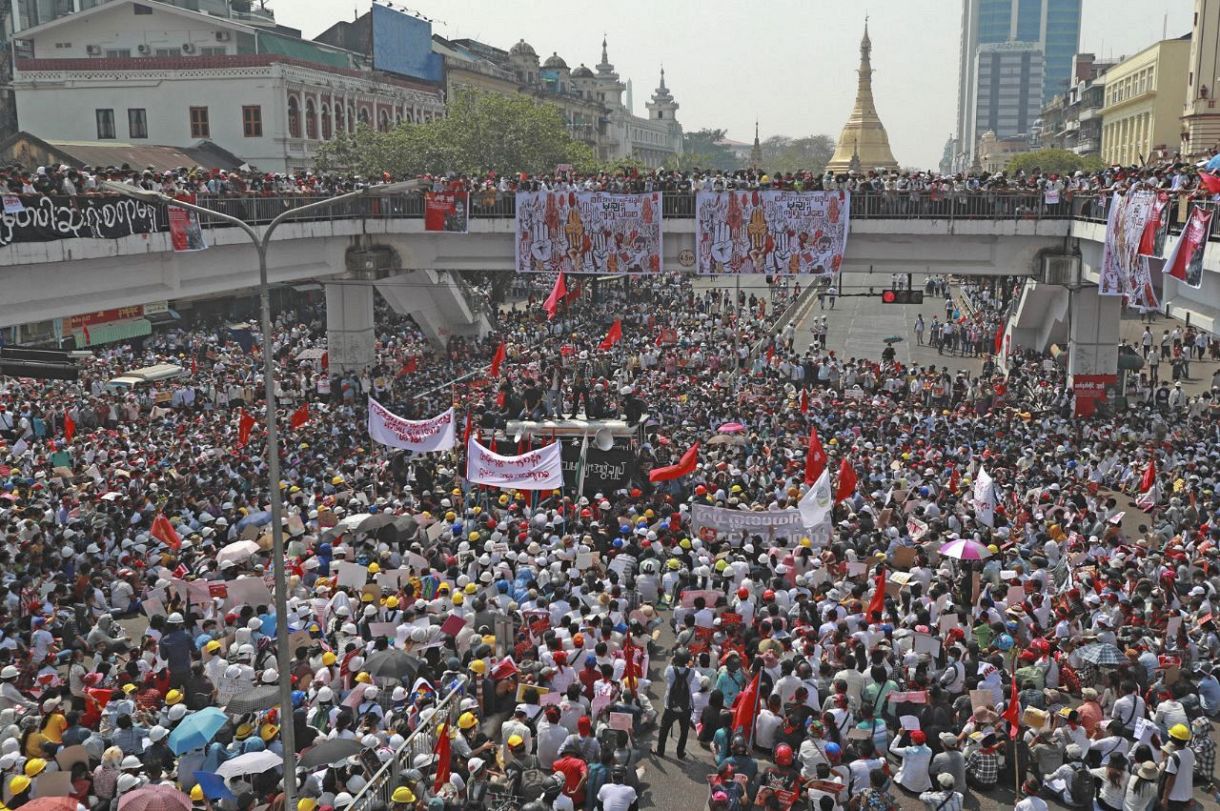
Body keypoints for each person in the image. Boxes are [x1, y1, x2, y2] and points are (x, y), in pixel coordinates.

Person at [654, 649, 698, 760]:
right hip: (685, 706)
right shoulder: (691, 672)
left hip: (670, 706)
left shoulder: (670, 670)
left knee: (664, 729)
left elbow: (666, 674)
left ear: (676, 659)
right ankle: (680, 752)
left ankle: (660, 751)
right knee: (684, 731)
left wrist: (671, 661)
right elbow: (691, 669)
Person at [1159, 723, 1195, 811]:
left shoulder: (1173, 757)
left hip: (1174, 798)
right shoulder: (1190, 752)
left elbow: (1170, 780)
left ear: (1172, 739)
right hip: (1186, 795)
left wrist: (1165, 798)